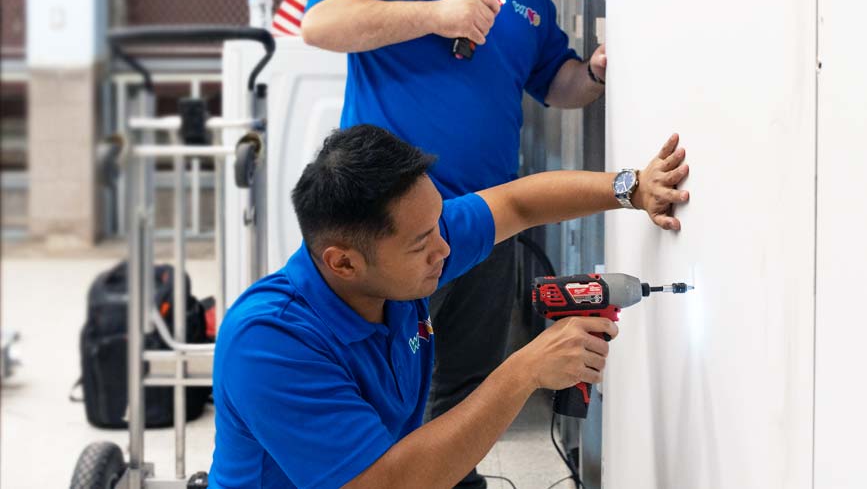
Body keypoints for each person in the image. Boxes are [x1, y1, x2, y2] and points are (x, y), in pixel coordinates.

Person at [301, 0, 610, 487]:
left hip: (483, 227)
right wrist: (436, 15)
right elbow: (322, 23)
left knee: (467, 387)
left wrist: (598, 74)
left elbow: (560, 85)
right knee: (377, 384)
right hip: (388, 228)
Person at [209, 125, 690, 488]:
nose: (444, 247)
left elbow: (517, 204)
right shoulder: (269, 343)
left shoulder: (407, 251)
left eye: (439, 221)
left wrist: (631, 187)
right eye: (422, 243)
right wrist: (524, 371)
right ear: (344, 263)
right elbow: (382, 485)